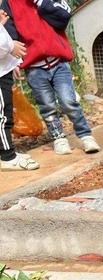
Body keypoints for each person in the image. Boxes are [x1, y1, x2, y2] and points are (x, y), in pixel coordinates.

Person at [9, 0, 100, 155]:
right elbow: (9, 35)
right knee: (47, 106)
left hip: (58, 63)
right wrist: (14, 62)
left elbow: (64, 17)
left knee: (69, 101)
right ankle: (59, 138)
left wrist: (41, 3)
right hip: (34, 68)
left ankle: (85, 136)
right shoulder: (10, 4)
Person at [0, 5, 39, 170]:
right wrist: (10, 47)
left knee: (5, 113)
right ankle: (8, 156)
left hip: (3, 67)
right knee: (3, 116)